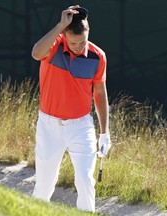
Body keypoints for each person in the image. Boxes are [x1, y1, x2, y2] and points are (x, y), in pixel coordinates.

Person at [31, 5, 111, 212]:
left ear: (88, 33)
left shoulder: (97, 56)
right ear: (65, 35)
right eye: (73, 42)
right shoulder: (53, 46)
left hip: (81, 126)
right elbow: (36, 53)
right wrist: (60, 25)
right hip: (49, 126)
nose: (77, 46)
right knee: (43, 186)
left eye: (82, 41)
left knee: (85, 180)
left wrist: (104, 132)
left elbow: (100, 94)